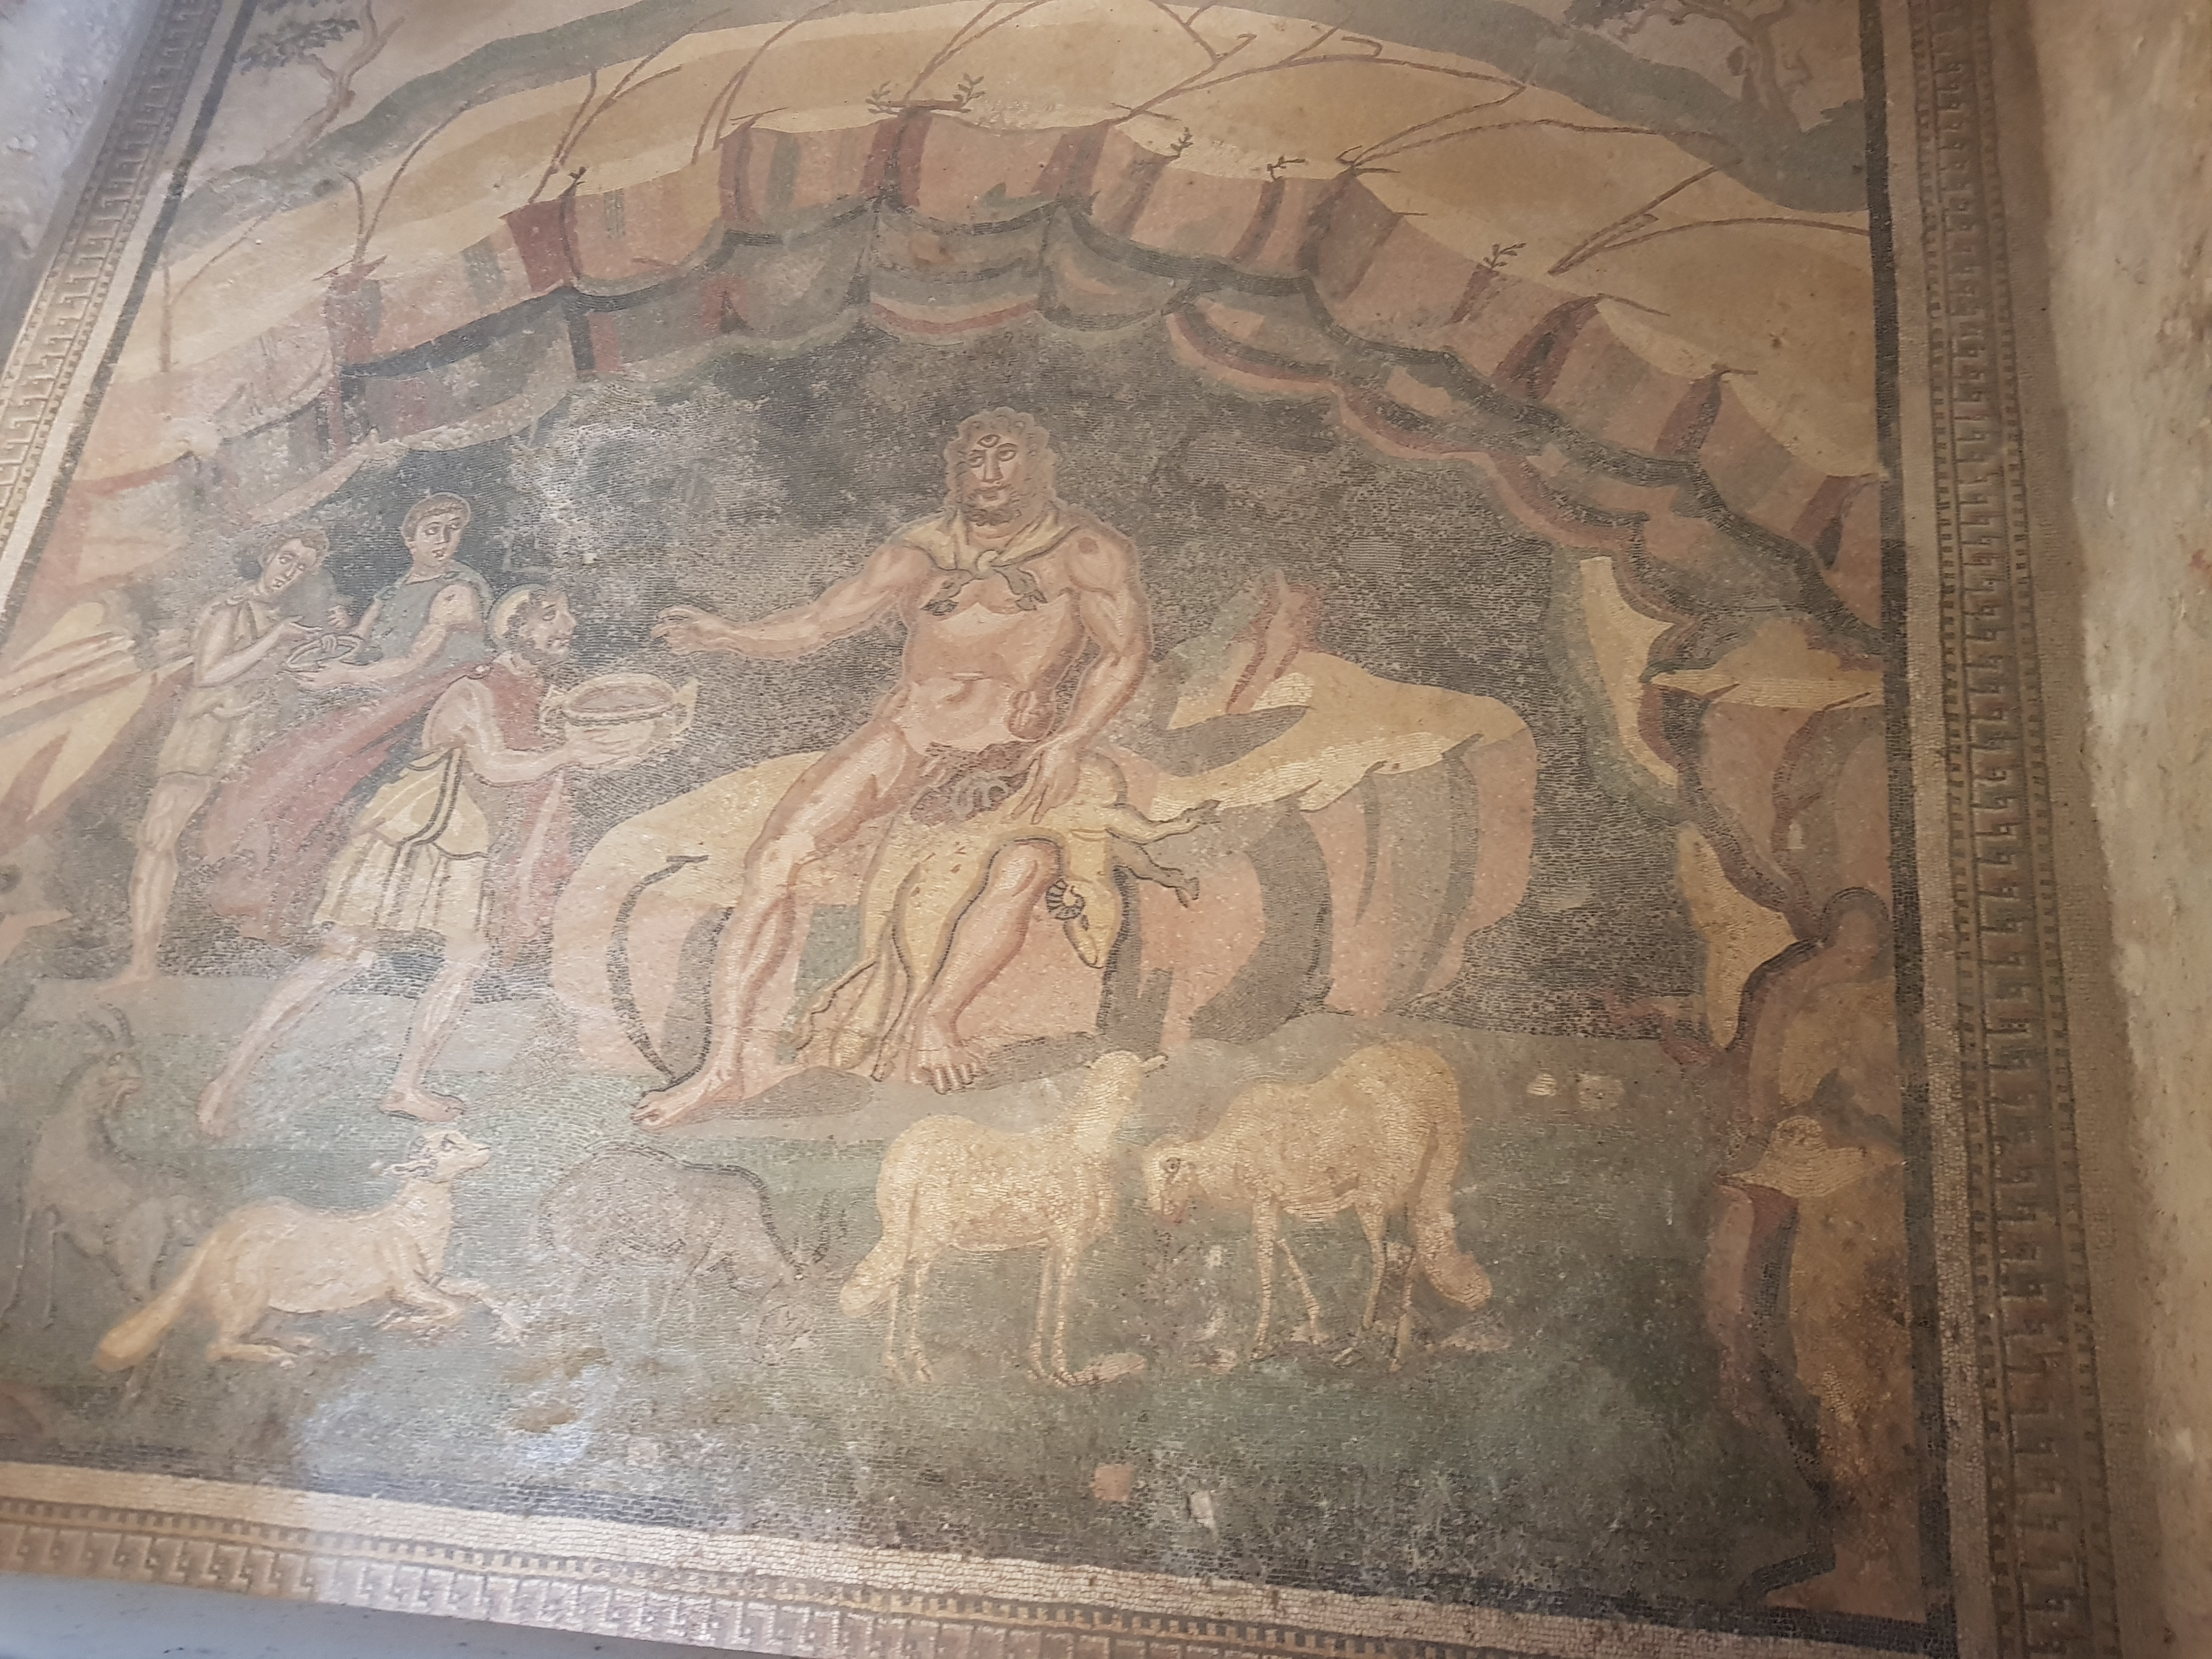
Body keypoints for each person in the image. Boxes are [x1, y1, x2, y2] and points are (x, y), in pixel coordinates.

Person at [641, 409, 1150, 1125]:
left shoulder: (1083, 552)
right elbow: (819, 623)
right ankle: (723, 1067)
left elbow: (1124, 653)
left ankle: (935, 1020)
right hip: (908, 732)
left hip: (1012, 746)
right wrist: (727, 634)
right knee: (776, 860)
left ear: (1040, 466)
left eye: (1006, 456)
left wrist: (1070, 740)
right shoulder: (919, 554)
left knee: (1024, 866)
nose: (989, 473)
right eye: (975, 459)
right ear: (956, 471)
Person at [195, 588, 635, 1132]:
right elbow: (495, 765)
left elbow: (547, 763)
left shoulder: (545, 695)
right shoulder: (473, 690)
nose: (566, 624)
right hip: (412, 832)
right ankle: (229, 1079)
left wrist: (604, 751)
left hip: (468, 841)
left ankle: (405, 1087)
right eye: (549, 616)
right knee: (345, 955)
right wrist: (569, 753)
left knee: (467, 957)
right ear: (515, 629)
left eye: (568, 614)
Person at [199, 494, 495, 945]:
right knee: (293, 758)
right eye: (433, 530)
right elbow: (359, 643)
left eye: (453, 530)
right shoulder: (393, 591)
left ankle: (294, 900)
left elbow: (413, 663)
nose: (444, 539)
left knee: (325, 767)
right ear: (410, 539)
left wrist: (344, 675)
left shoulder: (458, 592)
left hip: (428, 701)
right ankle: (256, 884)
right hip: (381, 694)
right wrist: (331, 644)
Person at [109, 530, 339, 986]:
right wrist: (275, 639)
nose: (290, 572)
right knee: (160, 839)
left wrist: (321, 646)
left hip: (247, 739)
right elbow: (209, 673)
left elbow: (273, 677)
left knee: (242, 845)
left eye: (301, 568)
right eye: (286, 559)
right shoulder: (230, 609)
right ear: (268, 556)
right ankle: (142, 962)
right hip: (206, 735)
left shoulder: (278, 618)